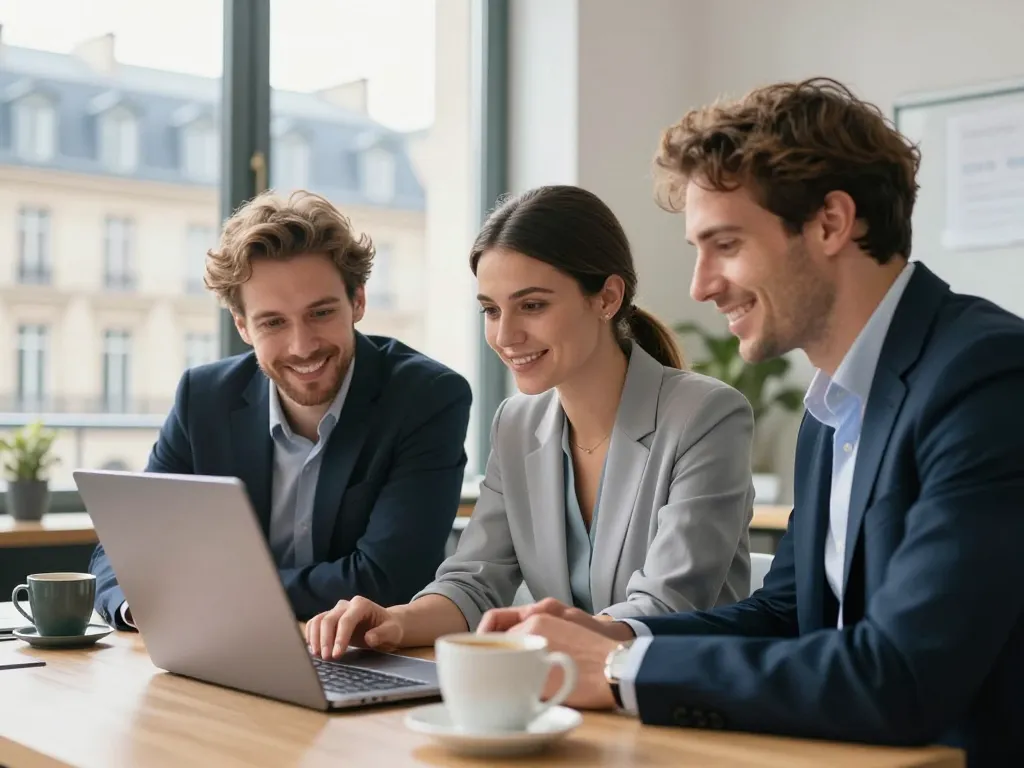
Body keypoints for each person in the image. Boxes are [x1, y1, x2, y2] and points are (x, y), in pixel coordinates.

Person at [484, 79, 1024, 766]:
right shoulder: (835, 403)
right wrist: (613, 635)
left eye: (726, 245)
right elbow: (785, 615)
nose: (701, 285)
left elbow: (902, 675)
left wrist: (618, 674)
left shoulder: (985, 377)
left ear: (831, 222)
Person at [304, 184, 756, 659]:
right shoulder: (517, 424)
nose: (505, 334)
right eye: (491, 310)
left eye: (533, 305)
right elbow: (475, 583)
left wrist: (536, 636)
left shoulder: (706, 416)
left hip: (680, 699)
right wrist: (391, 622)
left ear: (606, 298)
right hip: (565, 697)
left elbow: (666, 607)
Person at [88, 190, 472, 628]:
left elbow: (386, 579)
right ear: (243, 327)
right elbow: (125, 549)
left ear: (358, 302)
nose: (302, 345)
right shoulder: (204, 398)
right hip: (223, 652)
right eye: (273, 322)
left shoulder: (427, 397)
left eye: (321, 313)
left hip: (367, 659)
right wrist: (137, 603)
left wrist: (204, 596)